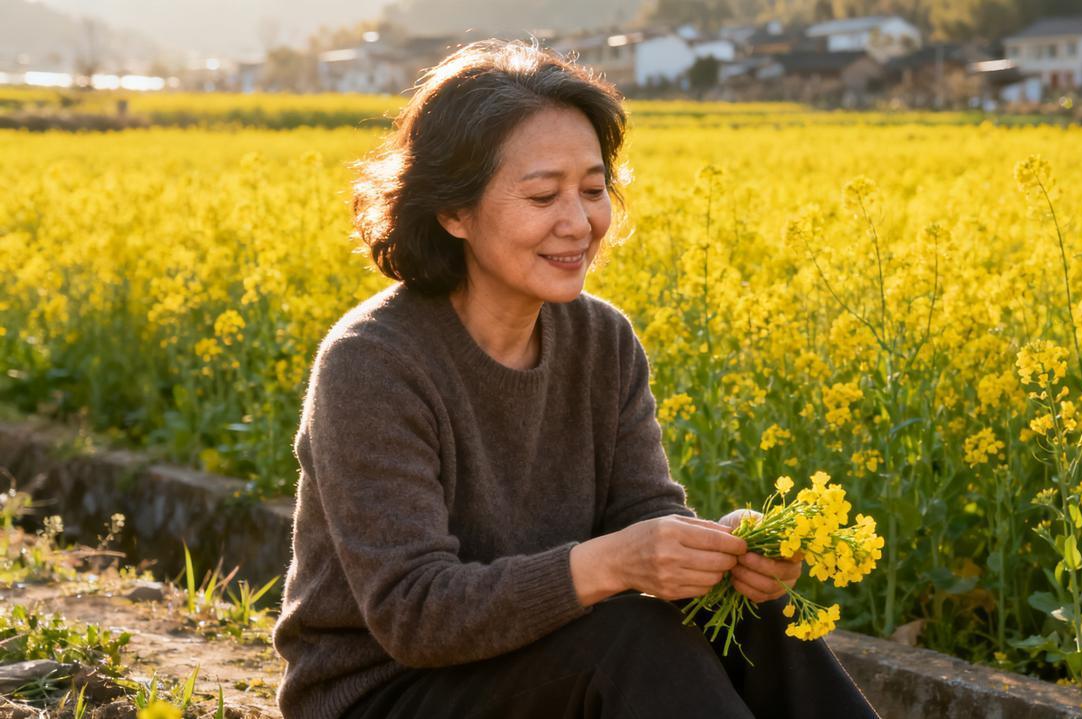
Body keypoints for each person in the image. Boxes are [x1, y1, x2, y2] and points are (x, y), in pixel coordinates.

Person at [271, 38, 881, 719]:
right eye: (542, 194)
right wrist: (612, 564)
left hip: (543, 657)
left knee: (754, 614)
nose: (579, 223)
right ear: (454, 212)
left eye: (593, 190)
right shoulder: (374, 361)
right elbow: (417, 615)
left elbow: (642, 517)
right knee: (635, 638)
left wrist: (723, 552)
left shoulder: (602, 339)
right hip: (383, 693)